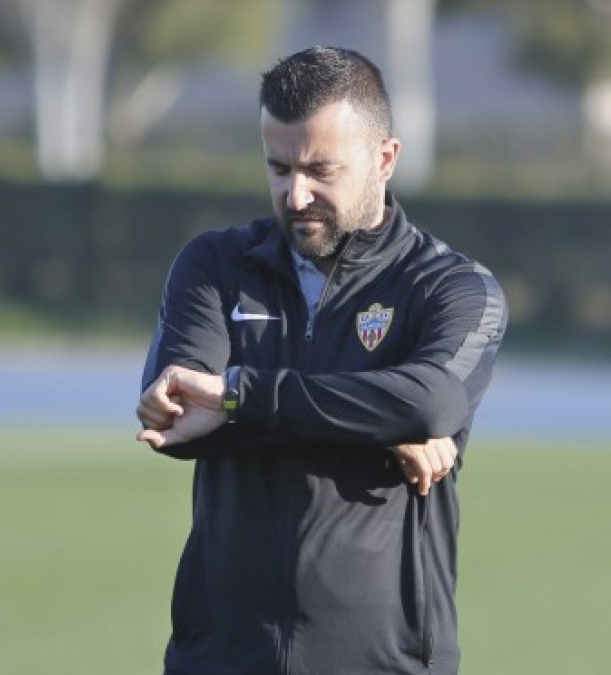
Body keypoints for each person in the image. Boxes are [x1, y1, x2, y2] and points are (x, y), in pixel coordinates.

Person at [134, 46, 507, 675]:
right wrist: (382, 425)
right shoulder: (216, 267)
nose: (296, 192)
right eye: (278, 168)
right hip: (221, 657)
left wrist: (238, 397)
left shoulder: (452, 288)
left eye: (320, 169)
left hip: (384, 661)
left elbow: (429, 401)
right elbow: (178, 415)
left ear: (385, 159)